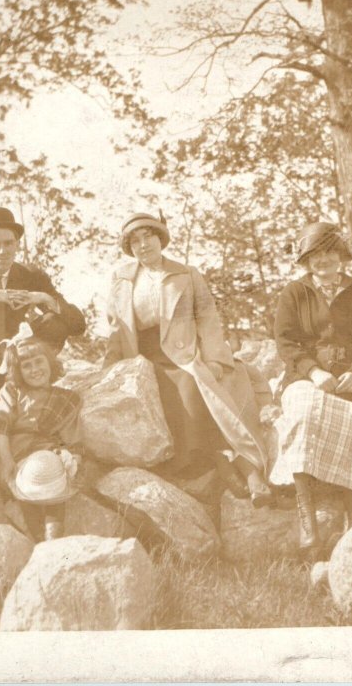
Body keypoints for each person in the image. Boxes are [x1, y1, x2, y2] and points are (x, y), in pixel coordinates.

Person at [104, 212, 273, 506]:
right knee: (161, 388)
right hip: (141, 355)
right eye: (135, 241)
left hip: (182, 351)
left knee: (196, 384)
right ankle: (200, 466)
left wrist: (217, 359)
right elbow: (115, 326)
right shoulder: (121, 279)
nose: (143, 245)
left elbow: (207, 317)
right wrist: (109, 369)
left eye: (149, 237)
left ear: (161, 240)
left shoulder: (186, 274)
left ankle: (222, 463)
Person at [271, 221, 352, 558]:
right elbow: (285, 341)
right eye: (313, 256)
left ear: (340, 256)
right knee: (303, 413)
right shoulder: (294, 293)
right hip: (305, 377)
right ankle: (307, 523)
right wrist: (312, 372)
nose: (321, 261)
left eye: (327, 253)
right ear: (306, 262)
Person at [0, 207, 86, 402]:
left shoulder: (31, 276)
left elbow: (77, 325)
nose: (2, 251)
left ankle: (29, 385)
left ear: (17, 244)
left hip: (12, 360)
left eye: (8, 243)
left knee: (55, 322)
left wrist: (45, 298)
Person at [0, 323, 82, 541]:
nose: (35, 370)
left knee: (55, 486)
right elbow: (0, 427)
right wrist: (7, 462)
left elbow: (72, 436)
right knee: (28, 494)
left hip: (48, 454)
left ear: (50, 362)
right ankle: (39, 539)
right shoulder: (13, 391)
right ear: (18, 372)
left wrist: (73, 459)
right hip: (16, 455)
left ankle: (53, 539)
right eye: (27, 366)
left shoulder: (66, 399)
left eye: (39, 361)